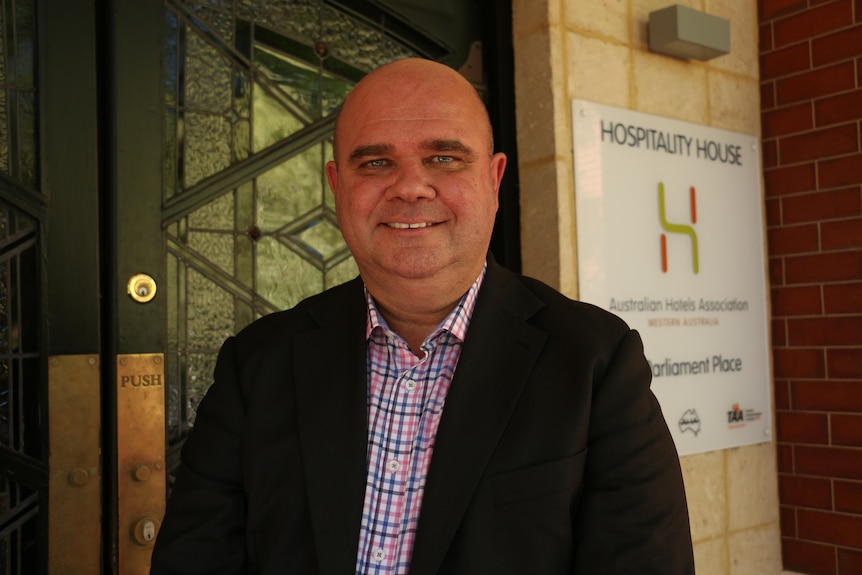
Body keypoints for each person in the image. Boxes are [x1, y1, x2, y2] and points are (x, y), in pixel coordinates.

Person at [150, 58, 694, 574]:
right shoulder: (257, 363)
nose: (410, 186)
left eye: (444, 158)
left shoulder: (596, 362)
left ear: (494, 180)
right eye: (376, 162)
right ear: (338, 187)